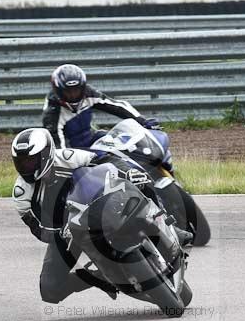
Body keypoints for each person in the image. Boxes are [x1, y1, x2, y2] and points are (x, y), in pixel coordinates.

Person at [11, 127, 191, 304]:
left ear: (45, 154)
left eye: (31, 161)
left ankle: (170, 225)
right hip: (67, 232)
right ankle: (99, 277)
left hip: (99, 204)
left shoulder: (67, 158)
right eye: (21, 162)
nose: (26, 167)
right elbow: (37, 229)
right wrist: (58, 234)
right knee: (49, 290)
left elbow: (104, 157)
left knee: (141, 180)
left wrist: (127, 171)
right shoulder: (22, 194)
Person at [42, 63, 160, 150]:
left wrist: (142, 120)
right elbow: (59, 149)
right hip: (73, 151)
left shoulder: (89, 94)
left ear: (82, 88)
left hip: (91, 138)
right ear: (59, 91)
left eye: (76, 91)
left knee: (124, 144)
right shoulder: (53, 114)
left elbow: (117, 106)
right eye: (69, 92)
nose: (73, 95)